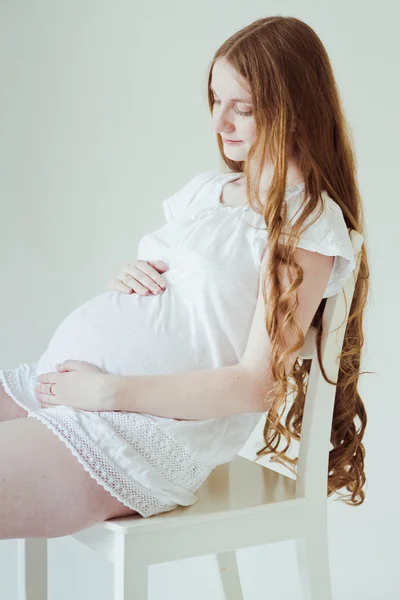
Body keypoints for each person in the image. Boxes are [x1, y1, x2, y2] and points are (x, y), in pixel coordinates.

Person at [0, 15, 370, 540]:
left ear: (297, 110)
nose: (220, 124)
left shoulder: (306, 226)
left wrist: (106, 391)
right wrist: (128, 275)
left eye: (242, 108)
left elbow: (255, 385)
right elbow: (183, 301)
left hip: (129, 433)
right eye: (215, 102)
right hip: (61, 383)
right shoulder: (204, 194)